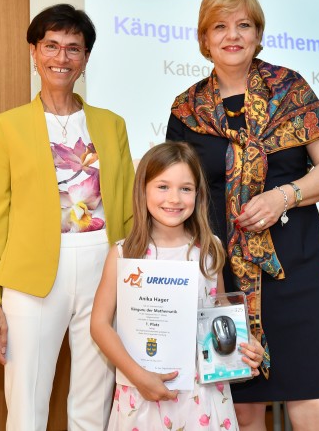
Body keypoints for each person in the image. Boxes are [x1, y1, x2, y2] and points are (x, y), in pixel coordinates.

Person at [166, 0, 319, 431]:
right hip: (221, 270)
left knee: (315, 399)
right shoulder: (187, 109)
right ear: (204, 39)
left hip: (294, 263)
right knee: (241, 408)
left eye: (244, 25)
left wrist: (284, 195)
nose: (233, 35)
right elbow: (176, 192)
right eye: (220, 26)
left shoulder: (291, 90)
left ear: (258, 35)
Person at [0, 4, 134, 431]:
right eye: (51, 46)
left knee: (93, 403)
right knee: (26, 406)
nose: (61, 58)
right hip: (31, 281)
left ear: (86, 59)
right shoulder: (6, 127)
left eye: (73, 49)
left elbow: (128, 210)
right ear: (34, 52)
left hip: (105, 274)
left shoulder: (112, 124)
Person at [90, 141, 264, 431]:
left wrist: (246, 347)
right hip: (141, 390)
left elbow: (218, 310)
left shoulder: (209, 250)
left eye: (186, 188)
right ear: (142, 188)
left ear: (198, 194)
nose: (174, 198)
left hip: (202, 396)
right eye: (162, 187)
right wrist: (137, 375)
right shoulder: (123, 255)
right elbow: (99, 324)